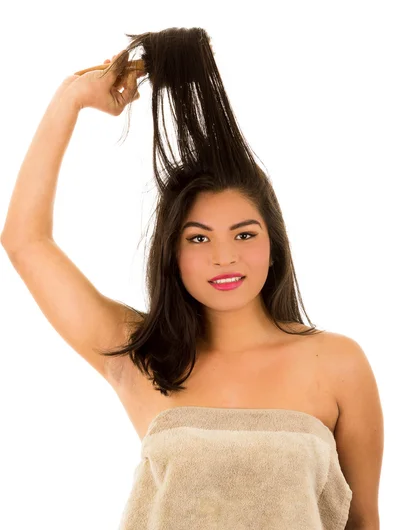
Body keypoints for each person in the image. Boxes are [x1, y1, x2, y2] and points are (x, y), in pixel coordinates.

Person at [1, 28, 383, 529]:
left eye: (244, 235)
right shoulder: (140, 356)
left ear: (274, 245)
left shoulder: (337, 362)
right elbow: (25, 240)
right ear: (172, 254)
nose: (225, 257)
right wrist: (70, 98)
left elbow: (363, 521)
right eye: (199, 239)